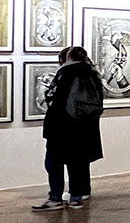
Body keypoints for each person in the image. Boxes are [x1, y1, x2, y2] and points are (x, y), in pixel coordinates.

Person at [37, 46, 105, 211]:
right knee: (78, 162)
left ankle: (55, 197)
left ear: (65, 58)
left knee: (54, 162)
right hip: (85, 127)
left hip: (62, 127)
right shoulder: (93, 74)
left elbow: (53, 99)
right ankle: (76, 197)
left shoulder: (65, 74)